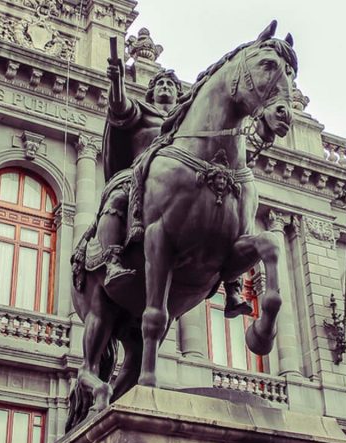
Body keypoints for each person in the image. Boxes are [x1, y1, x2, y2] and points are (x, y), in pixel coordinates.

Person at [96, 58, 252, 318]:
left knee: (231, 209)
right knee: (116, 198)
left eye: (170, 83)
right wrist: (116, 81)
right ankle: (112, 261)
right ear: (152, 91)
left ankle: (233, 285)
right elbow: (119, 109)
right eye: (160, 84)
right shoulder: (144, 113)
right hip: (139, 177)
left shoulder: (192, 123)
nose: (165, 87)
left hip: (181, 190)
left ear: (179, 93)